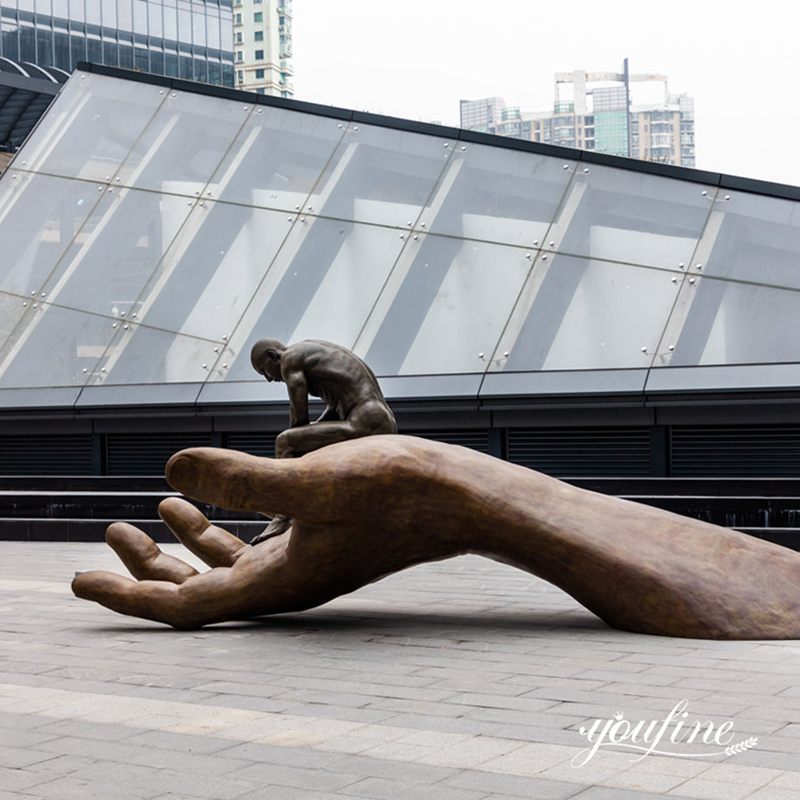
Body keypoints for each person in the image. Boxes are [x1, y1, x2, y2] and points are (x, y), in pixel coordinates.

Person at [248, 338, 397, 543]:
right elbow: (336, 405)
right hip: (378, 419)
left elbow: (299, 416)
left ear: (273, 356)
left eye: (263, 371)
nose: (268, 379)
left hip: (366, 421)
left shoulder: (289, 360)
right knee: (301, 441)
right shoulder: (310, 350)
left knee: (285, 442)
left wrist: (297, 443)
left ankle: (283, 514)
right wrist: (310, 434)